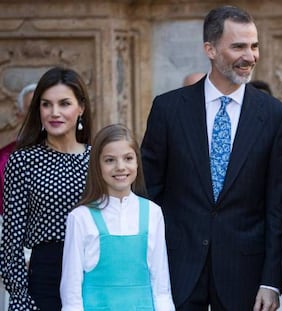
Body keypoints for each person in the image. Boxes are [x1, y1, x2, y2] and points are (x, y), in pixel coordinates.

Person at [141, 5, 282, 311]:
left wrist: (270, 281)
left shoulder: (274, 115)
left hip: (246, 276)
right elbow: (149, 192)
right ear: (209, 49)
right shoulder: (169, 109)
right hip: (176, 269)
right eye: (238, 46)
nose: (250, 56)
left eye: (254, 46)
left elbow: (277, 205)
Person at [0, 66, 92, 311]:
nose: (54, 113)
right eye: (46, 104)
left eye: (64, 104)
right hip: (46, 275)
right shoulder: (22, 161)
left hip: (94, 274)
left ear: (81, 108)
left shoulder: (98, 160)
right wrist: (21, 298)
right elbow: (11, 240)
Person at [60, 124, 175, 311]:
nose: (120, 167)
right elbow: (71, 293)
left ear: (138, 162)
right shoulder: (80, 217)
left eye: (128, 158)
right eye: (110, 160)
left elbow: (161, 286)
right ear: (97, 165)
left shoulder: (153, 213)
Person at [0, 83, 37, 215]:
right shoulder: (3, 158)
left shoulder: (73, 154)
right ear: (20, 115)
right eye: (32, 109)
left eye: (44, 106)